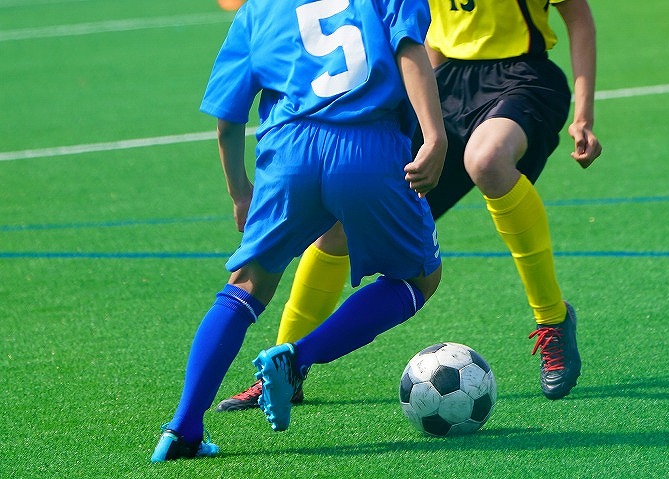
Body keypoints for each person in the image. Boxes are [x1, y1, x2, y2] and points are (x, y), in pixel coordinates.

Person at [216, 0, 602, 412]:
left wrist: (584, 114)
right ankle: (285, 366)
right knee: (343, 221)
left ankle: (552, 320)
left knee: (486, 160)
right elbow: (419, 39)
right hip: (446, 83)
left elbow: (578, 16)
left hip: (524, 78)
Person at [151, 0, 447, 462]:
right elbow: (410, 50)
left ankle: (183, 426)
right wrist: (434, 135)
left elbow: (228, 120)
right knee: (418, 279)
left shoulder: (258, 9)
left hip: (289, 154)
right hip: (368, 148)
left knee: (248, 284)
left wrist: (239, 193)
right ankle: (298, 357)